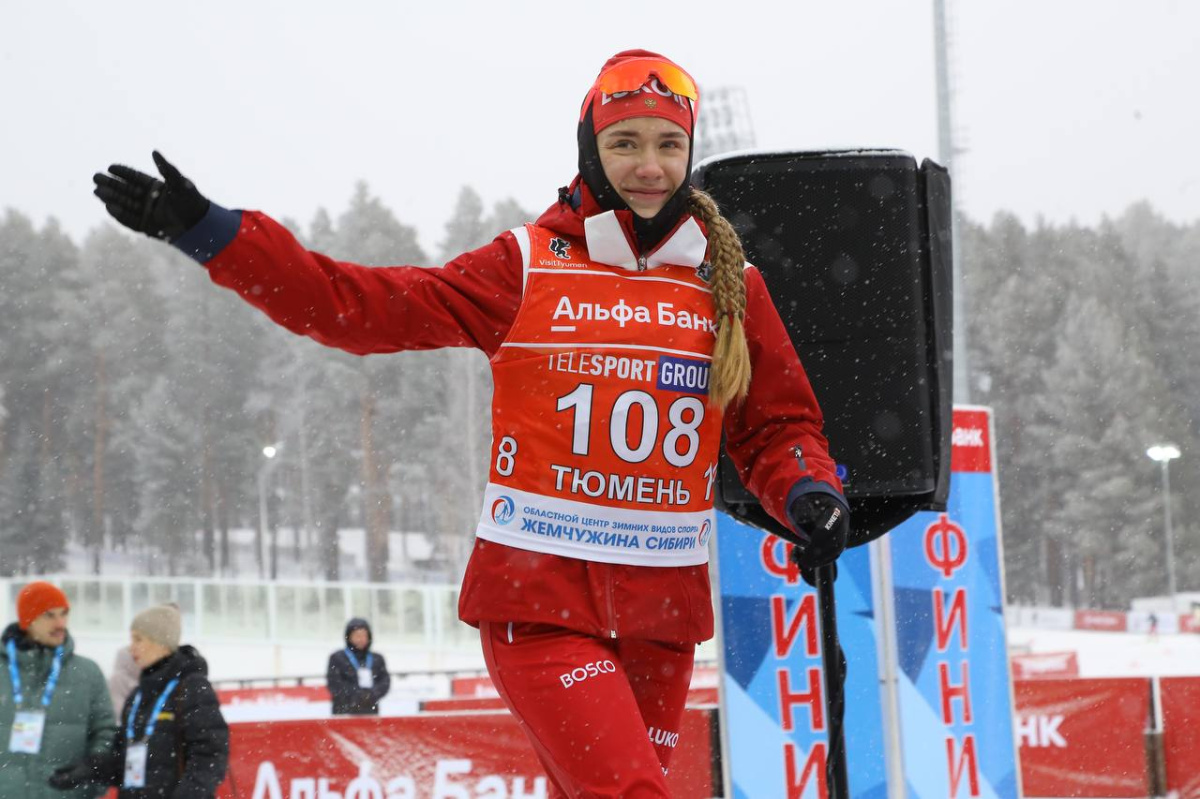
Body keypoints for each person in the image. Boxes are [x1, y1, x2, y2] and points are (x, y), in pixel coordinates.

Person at [92, 49, 850, 797]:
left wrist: (808, 491)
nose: (648, 165)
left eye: (667, 144)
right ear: (591, 149)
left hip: (661, 619)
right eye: (625, 143)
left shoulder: (727, 284)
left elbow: (775, 427)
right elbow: (359, 305)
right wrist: (214, 233)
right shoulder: (528, 264)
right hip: (541, 606)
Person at [50, 604, 229, 798]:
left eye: (138, 639)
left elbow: (210, 754)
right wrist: (89, 769)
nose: (131, 647)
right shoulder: (138, 695)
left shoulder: (192, 688)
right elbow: (124, 761)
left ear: (161, 642)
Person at [0, 581, 116, 799]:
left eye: (64, 614)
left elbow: (105, 732)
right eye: (49, 616)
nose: (60, 623)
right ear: (28, 620)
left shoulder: (87, 673)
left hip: (65, 794)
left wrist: (92, 770)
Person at [326, 617, 391, 715]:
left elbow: (384, 681)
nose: (361, 639)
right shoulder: (337, 658)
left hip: (370, 710)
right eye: (357, 635)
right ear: (349, 636)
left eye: (364, 635)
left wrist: (371, 694)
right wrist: (356, 694)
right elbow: (334, 683)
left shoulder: (377, 659)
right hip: (344, 710)